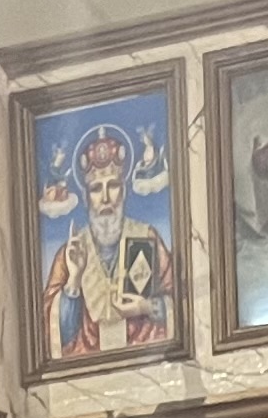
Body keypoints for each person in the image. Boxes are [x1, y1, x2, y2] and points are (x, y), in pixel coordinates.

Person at [45, 122, 174, 360]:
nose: (105, 198)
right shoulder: (70, 253)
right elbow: (55, 333)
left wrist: (146, 308)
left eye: (113, 186)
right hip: (87, 370)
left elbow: (181, 303)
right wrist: (74, 280)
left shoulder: (147, 237)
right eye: (96, 189)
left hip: (149, 362)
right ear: (86, 197)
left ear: (124, 192)